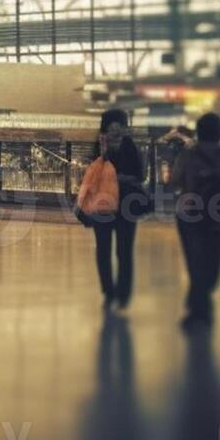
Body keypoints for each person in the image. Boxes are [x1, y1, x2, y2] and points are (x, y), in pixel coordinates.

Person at [171, 112, 220, 331]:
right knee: (212, 266)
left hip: (190, 216)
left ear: (199, 133)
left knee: (195, 264)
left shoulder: (188, 156)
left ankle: (197, 309)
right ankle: (200, 308)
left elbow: (175, 180)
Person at [78, 108, 147, 312]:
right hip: (103, 205)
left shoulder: (131, 148)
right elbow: (90, 175)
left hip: (126, 205)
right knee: (104, 250)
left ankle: (123, 293)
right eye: (112, 127)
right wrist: (104, 155)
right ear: (105, 128)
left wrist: (119, 178)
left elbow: (140, 175)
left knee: (124, 251)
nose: (116, 131)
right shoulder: (98, 148)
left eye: (119, 127)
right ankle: (109, 291)